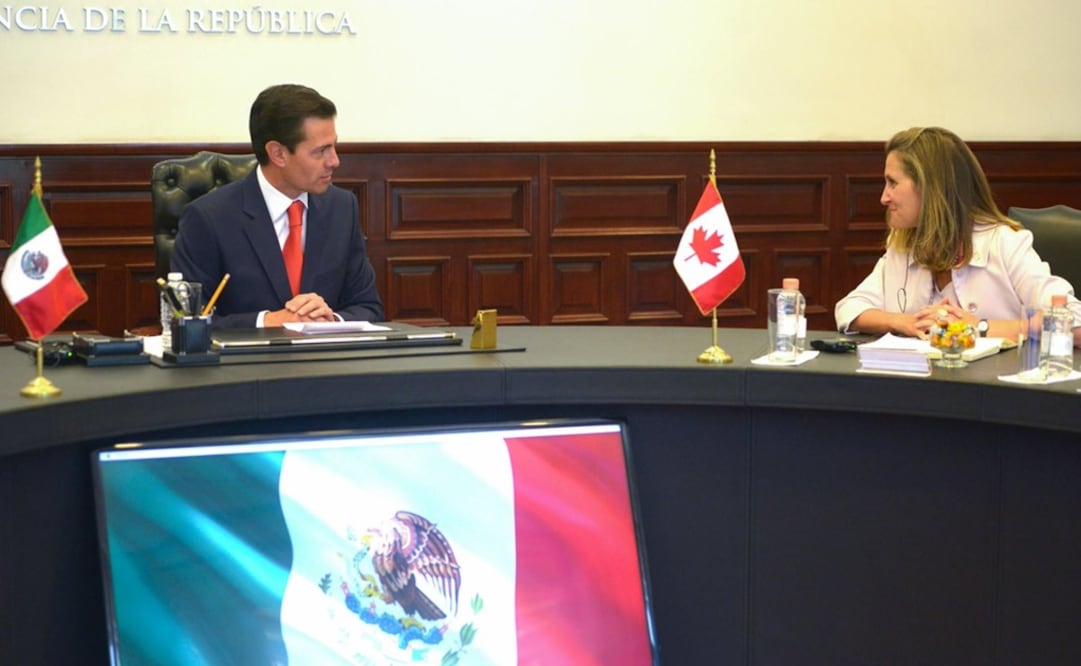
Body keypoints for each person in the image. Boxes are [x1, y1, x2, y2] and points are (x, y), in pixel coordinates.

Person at [835, 126, 1081, 345]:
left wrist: (979, 327)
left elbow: (1072, 320)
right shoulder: (903, 245)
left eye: (893, 183)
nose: (884, 197)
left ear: (930, 187)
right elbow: (849, 309)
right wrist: (904, 322)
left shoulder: (1004, 244)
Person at [171, 83, 384, 328]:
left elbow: (368, 307)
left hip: (324, 363)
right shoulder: (209, 218)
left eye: (334, 146)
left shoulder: (342, 208)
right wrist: (267, 321)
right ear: (278, 154)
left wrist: (330, 320)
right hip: (244, 364)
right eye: (321, 151)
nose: (334, 161)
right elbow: (186, 323)